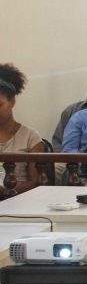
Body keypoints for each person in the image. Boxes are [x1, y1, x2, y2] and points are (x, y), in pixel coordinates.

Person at [0, 63, 45, 193]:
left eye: (0, 105)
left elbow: (36, 182)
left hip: (21, 198)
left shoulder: (31, 137)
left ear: (12, 102)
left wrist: (5, 192)